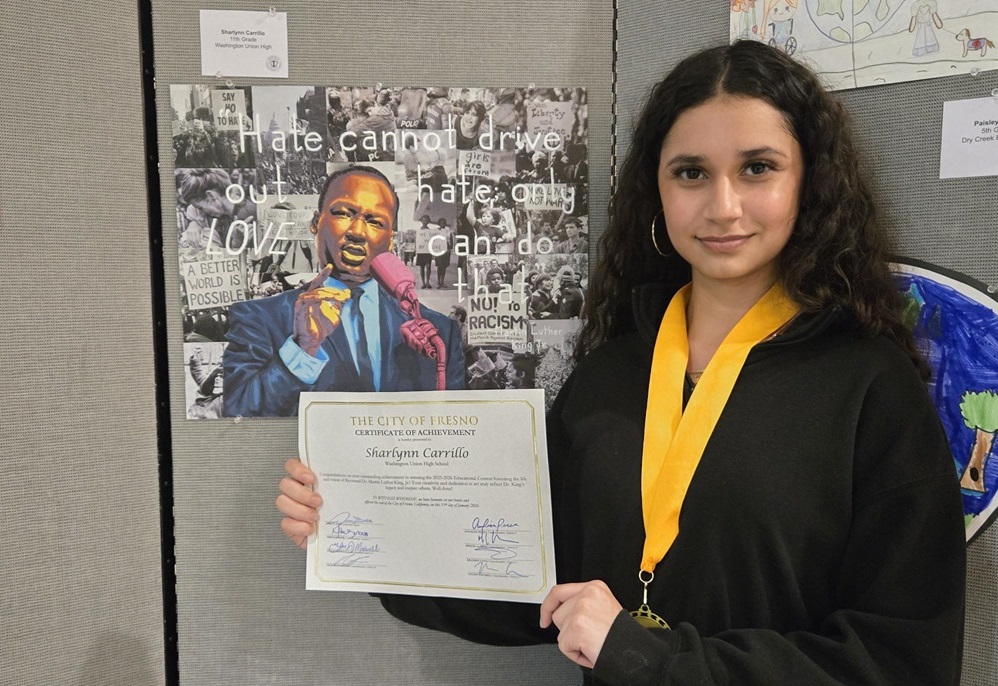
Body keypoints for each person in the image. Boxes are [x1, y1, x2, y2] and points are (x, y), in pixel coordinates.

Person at [276, 41, 966, 685]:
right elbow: (527, 585)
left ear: (808, 181)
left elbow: (901, 661)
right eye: (691, 172)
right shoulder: (611, 373)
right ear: (656, 192)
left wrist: (646, 656)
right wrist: (359, 530)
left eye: (758, 168)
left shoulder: (870, 387)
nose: (723, 206)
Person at [223, 166, 465, 417]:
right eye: (342, 213)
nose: (357, 232)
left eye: (375, 221)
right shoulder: (258, 318)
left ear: (391, 239)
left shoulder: (439, 334)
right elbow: (238, 419)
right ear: (316, 222)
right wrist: (302, 348)